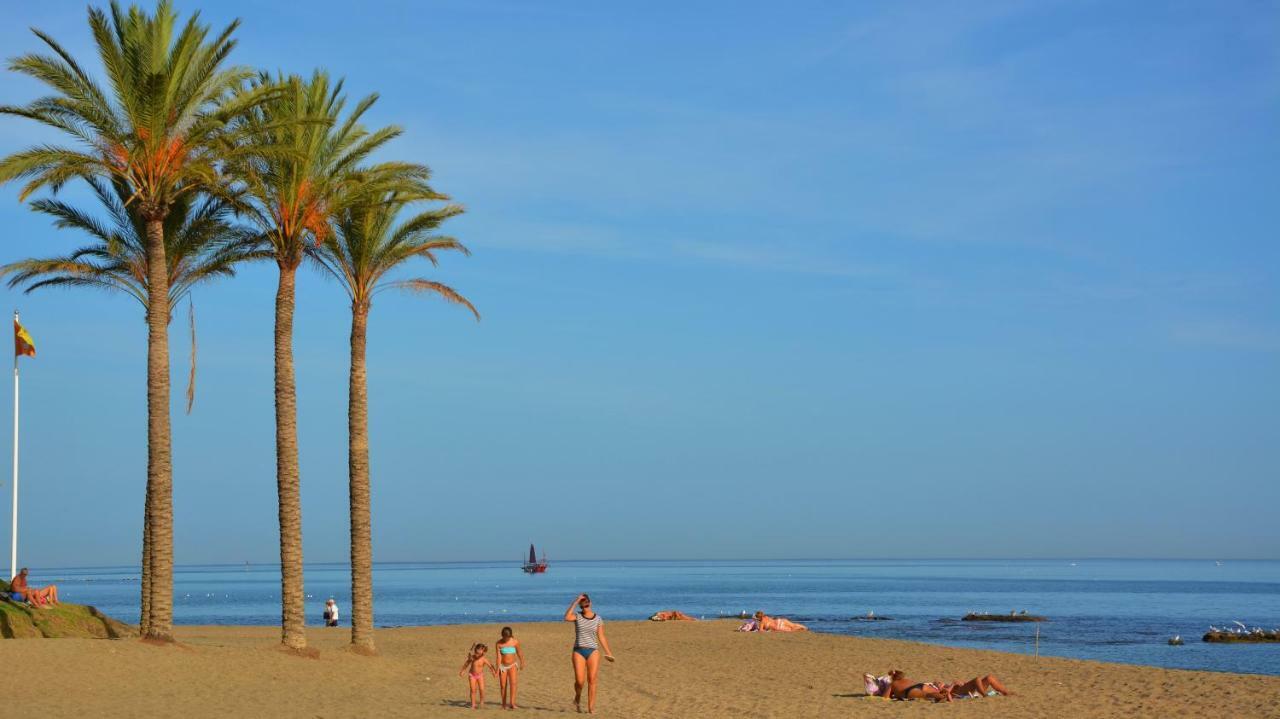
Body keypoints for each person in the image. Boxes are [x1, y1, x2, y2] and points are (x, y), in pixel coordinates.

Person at [564, 593, 615, 714]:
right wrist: (576, 601)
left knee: (592, 680)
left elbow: (601, 636)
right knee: (580, 681)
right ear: (581, 605)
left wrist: (608, 652)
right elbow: (566, 617)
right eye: (583, 602)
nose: (585, 604)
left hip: (593, 651)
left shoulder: (598, 619)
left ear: (590, 603)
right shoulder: (577, 616)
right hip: (578, 650)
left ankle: (591, 708)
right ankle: (577, 697)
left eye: (587, 601)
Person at [458, 643, 497, 709]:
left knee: (482, 689)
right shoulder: (472, 658)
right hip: (472, 675)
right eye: (476, 652)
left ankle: (482, 701)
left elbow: (490, 666)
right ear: (475, 651)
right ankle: (473, 704)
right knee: (473, 690)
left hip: (480, 676)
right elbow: (466, 664)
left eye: (479, 653)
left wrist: (494, 672)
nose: (477, 654)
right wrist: (463, 670)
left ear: (483, 652)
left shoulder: (484, 659)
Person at [495, 626, 525, 710]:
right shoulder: (498, 643)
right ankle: (503, 704)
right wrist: (497, 670)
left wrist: (522, 662)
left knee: (513, 684)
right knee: (503, 685)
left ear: (510, 636)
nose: (506, 639)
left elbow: (520, 653)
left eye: (507, 637)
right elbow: (498, 657)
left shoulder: (515, 642)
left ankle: (512, 703)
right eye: (504, 637)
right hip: (503, 666)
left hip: (512, 665)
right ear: (502, 636)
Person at [943, 674, 1015, 698]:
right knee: (977, 679)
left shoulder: (938, 685)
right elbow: (946, 692)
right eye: (938, 683)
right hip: (958, 692)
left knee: (989, 677)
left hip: (968, 690)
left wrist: (962, 683)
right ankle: (984, 695)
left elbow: (959, 682)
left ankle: (1005, 692)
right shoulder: (937, 689)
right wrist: (952, 685)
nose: (939, 683)